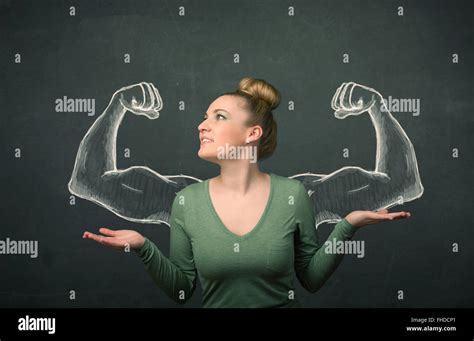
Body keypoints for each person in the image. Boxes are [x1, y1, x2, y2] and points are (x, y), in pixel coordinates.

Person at [73, 78, 413, 308]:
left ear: (253, 133)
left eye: (218, 117)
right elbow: (89, 180)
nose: (202, 125)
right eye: (205, 116)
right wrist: (143, 246)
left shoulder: (297, 195)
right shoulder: (184, 199)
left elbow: (402, 181)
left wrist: (347, 226)